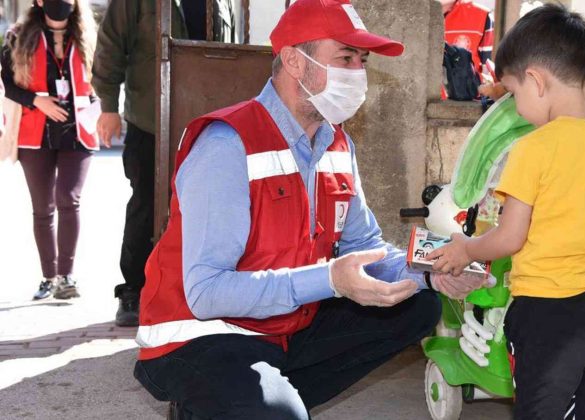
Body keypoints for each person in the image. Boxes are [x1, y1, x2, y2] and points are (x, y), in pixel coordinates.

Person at [132, 0, 487, 418]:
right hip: (203, 334)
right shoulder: (227, 144)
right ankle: (239, 404)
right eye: (345, 58)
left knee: (418, 305)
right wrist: (331, 279)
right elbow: (207, 294)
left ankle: (260, 400)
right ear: (293, 62)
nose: (358, 74)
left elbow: (366, 249)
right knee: (278, 413)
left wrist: (434, 269)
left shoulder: (336, 144)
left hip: (283, 323)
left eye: (362, 61)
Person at [428, 4, 585, 419]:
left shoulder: (533, 148)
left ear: (536, 81)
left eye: (513, 94)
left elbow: (510, 237)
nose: (515, 107)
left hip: (550, 311)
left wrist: (466, 248)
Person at [92, 0, 234, 327]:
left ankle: (201, 288)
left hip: (207, 120)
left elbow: (229, 51)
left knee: (207, 206)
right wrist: (108, 106)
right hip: (150, 119)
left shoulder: (223, 3)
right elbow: (110, 44)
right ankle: (134, 290)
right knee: (147, 204)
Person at [2, 0, 98, 300]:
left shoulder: (89, 35)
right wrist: (37, 101)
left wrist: (100, 107)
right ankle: (49, 277)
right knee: (43, 208)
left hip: (78, 130)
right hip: (35, 132)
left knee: (68, 198)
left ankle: (66, 277)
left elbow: (104, 77)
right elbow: (8, 84)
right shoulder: (18, 36)